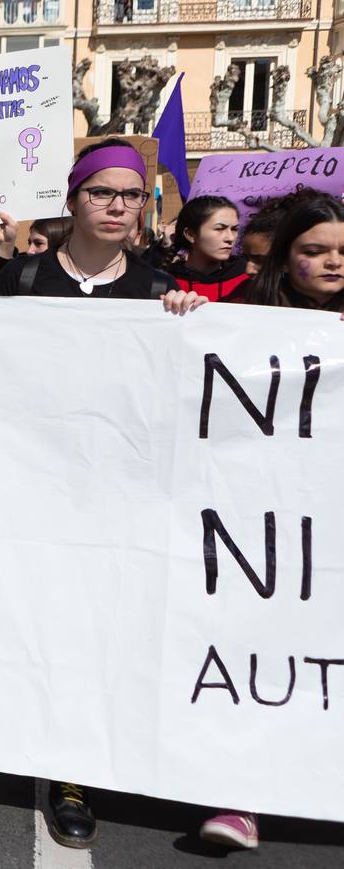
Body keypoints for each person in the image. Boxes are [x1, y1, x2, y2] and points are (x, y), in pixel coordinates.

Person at [0, 137, 208, 849]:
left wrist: (187, 321)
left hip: (123, 500)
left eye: (129, 194)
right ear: (72, 199)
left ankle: (100, 751)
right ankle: (67, 770)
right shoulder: (19, 283)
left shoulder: (157, 292)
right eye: (100, 192)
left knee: (108, 627)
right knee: (49, 623)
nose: (116, 206)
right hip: (36, 496)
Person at [189, 195, 344, 851]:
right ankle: (243, 795)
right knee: (267, 653)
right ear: (286, 259)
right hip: (271, 522)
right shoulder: (245, 319)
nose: (333, 261)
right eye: (315, 250)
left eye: (342, 250)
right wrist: (186, 324)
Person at [162, 196, 248, 302]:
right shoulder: (162, 282)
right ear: (190, 234)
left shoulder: (248, 280)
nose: (230, 238)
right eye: (219, 229)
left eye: (234, 229)